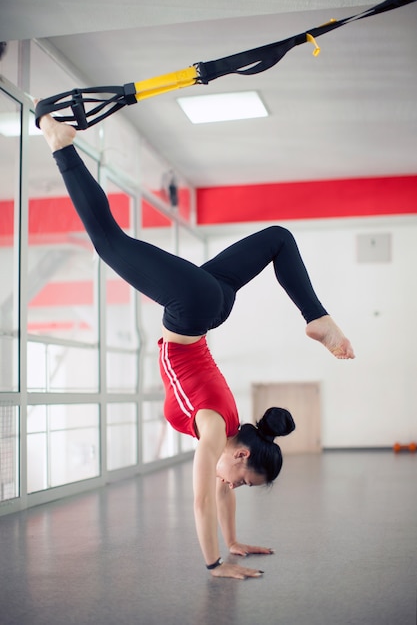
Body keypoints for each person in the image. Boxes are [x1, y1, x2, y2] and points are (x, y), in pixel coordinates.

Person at [37, 109, 355, 580]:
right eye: (244, 479)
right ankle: (61, 143)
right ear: (242, 453)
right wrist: (215, 564)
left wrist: (234, 543)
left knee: (278, 238)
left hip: (213, 305)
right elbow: (204, 496)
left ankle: (317, 317)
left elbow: (220, 488)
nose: (235, 485)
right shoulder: (212, 427)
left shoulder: (228, 425)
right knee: (107, 242)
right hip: (191, 308)